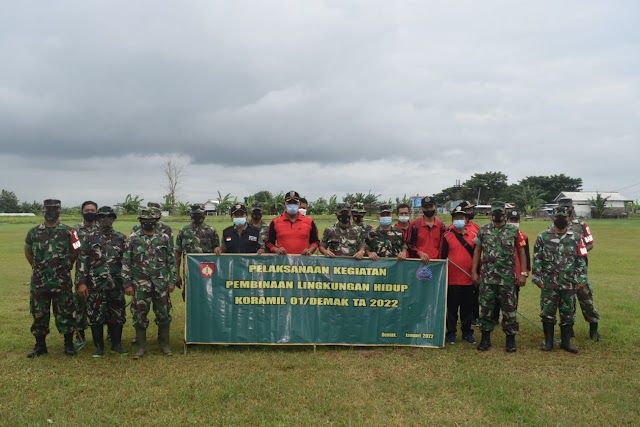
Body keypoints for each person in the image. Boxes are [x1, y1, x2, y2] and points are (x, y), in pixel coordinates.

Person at [24, 199, 80, 357]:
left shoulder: (70, 231)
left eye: (55, 209)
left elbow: (76, 250)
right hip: (40, 282)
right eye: (48, 208)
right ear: (43, 210)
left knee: (66, 313)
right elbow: (28, 252)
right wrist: (38, 268)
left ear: (60, 211)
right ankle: (40, 345)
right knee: (39, 313)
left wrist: (68, 264)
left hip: (62, 282)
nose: (51, 211)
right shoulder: (33, 232)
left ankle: (68, 345)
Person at [472, 201, 527, 352]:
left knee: (509, 310)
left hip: (507, 279)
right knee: (486, 309)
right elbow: (477, 250)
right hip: (487, 278)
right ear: (491, 214)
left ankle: (510, 340)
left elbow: (522, 251)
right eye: (495, 213)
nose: (497, 216)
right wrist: (474, 271)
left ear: (505, 214)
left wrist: (523, 273)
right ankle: (485, 339)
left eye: (500, 213)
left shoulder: (514, 231)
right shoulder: (483, 230)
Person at [532, 206, 588, 353]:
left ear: (568, 218)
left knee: (568, 313)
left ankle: (566, 342)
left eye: (564, 217)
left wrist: (581, 279)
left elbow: (581, 260)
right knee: (547, 313)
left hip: (569, 283)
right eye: (558, 217)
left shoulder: (576, 238)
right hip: (549, 283)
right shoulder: (542, 237)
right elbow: (537, 259)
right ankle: (548, 342)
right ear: (553, 218)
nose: (561, 220)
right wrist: (537, 278)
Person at [123, 209, 177, 359]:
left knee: (164, 314)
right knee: (139, 315)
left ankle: (165, 345)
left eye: (151, 220)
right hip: (140, 284)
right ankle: (141, 347)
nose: (148, 223)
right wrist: (127, 284)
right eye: (145, 220)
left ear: (157, 221)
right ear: (140, 221)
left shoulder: (164, 238)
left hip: (160, 284)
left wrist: (172, 280)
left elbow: (171, 261)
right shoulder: (133, 239)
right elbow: (126, 262)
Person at [76, 206, 128, 356]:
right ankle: (99, 347)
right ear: (98, 219)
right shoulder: (89, 238)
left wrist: (128, 282)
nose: (106, 220)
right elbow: (82, 261)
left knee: (117, 314)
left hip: (116, 283)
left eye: (109, 217)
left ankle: (116, 345)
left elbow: (127, 261)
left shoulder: (121, 238)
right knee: (95, 315)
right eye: (103, 217)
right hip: (95, 284)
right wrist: (82, 283)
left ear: (113, 219)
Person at [558, 198, 601, 341]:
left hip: (579, 269)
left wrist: (578, 252)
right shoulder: (555, 225)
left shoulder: (581, 225)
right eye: (562, 207)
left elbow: (590, 244)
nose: (566, 209)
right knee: (567, 301)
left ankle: (594, 328)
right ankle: (568, 330)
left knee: (586, 299)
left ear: (572, 207)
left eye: (567, 207)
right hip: (563, 271)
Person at [441, 205, 477, 344]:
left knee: (467, 309)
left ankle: (467, 333)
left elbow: (477, 257)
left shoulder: (473, 237)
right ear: (452, 219)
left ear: (466, 219)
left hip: (469, 279)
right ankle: (451, 333)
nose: (458, 220)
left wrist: (476, 274)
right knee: (451, 310)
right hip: (452, 280)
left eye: (461, 217)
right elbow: (443, 257)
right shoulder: (447, 236)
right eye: (456, 218)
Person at [492, 209, 531, 323]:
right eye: (511, 220)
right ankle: (494, 318)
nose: (513, 222)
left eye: (516, 220)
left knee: (513, 296)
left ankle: (510, 317)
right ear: (506, 220)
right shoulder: (498, 234)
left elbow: (526, 257)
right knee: (496, 297)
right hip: (498, 271)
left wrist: (524, 273)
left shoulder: (523, 237)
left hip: (515, 272)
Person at [175, 203, 220, 299]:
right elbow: (177, 252)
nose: (197, 217)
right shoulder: (183, 230)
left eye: (199, 215)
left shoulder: (211, 231)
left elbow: (218, 253)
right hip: (189, 272)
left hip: (207, 272)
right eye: (194, 215)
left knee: (208, 297)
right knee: (189, 297)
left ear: (204, 215)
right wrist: (177, 274)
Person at [73, 200, 98, 348]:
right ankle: (80, 335)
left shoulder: (102, 228)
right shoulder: (75, 230)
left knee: (101, 304)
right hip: (82, 273)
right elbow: (75, 250)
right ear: (82, 212)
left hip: (99, 273)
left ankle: (106, 335)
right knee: (81, 305)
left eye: (92, 210)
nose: (90, 212)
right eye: (87, 210)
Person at [266, 191, 320, 255]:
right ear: (285, 204)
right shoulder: (275, 222)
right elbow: (269, 243)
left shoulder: (309, 221)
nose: (292, 205)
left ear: (299, 204)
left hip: (304, 262)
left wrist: (309, 250)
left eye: (295, 203)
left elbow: (315, 241)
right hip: (283, 262)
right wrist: (276, 250)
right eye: (289, 203)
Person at [407, 196, 446, 263]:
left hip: (436, 264)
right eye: (426, 207)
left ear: (435, 207)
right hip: (418, 263)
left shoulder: (441, 226)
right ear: (422, 208)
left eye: (431, 207)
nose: (429, 209)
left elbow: (443, 246)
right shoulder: (415, 225)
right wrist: (419, 253)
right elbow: (409, 244)